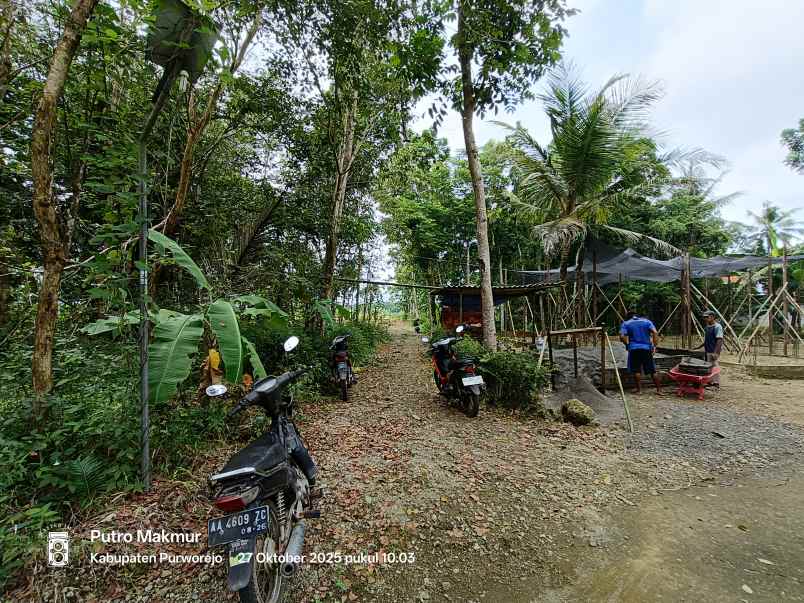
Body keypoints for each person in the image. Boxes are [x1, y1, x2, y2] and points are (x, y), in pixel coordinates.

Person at [619, 309, 662, 395]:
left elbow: (622, 336)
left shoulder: (626, 323)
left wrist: (627, 344)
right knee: (652, 370)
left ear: (628, 317)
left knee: (636, 370)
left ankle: (639, 390)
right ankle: (659, 390)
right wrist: (654, 346)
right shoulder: (647, 322)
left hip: (634, 349)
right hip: (646, 348)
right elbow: (655, 332)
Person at [696, 310, 723, 386]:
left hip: (713, 350)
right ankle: (711, 381)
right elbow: (707, 340)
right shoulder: (707, 327)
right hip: (708, 349)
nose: (705, 319)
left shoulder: (717, 327)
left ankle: (716, 382)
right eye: (704, 317)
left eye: (707, 317)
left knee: (714, 365)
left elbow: (719, 340)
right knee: (709, 365)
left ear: (712, 317)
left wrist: (716, 352)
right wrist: (698, 347)